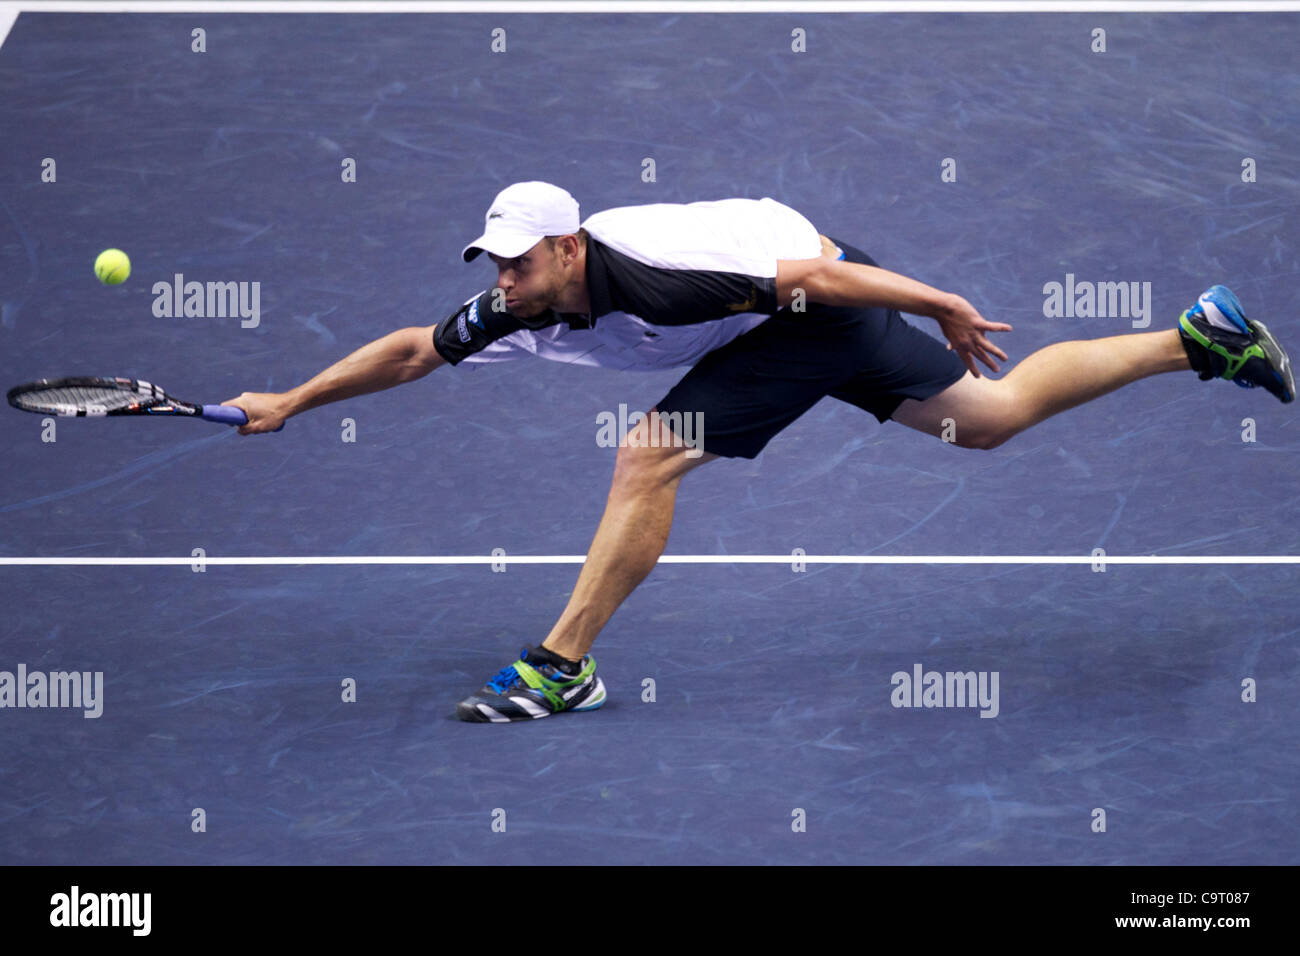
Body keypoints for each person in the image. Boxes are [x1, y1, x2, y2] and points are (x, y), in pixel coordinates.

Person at [225, 181, 1295, 724]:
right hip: (778, 318)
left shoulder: (662, 268)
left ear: (566, 247)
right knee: (990, 418)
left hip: (810, 300)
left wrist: (942, 299)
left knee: (648, 452)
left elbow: (821, 280)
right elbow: (417, 350)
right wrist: (294, 397)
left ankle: (561, 667)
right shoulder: (516, 301)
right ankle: (1197, 335)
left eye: (515, 264)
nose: (501, 282)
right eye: (492, 266)